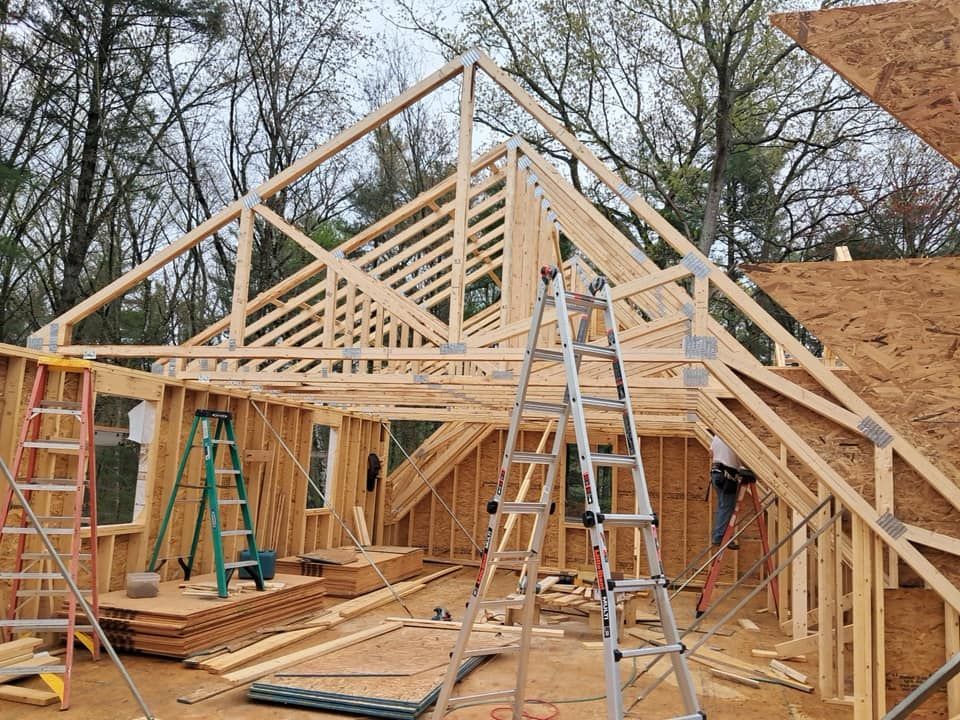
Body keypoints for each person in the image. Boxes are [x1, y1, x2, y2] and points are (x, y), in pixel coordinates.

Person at [709, 433, 741, 549]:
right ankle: (720, 536)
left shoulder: (717, 435)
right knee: (726, 506)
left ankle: (719, 534)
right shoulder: (735, 436)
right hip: (727, 476)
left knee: (723, 505)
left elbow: (711, 453)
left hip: (716, 473)